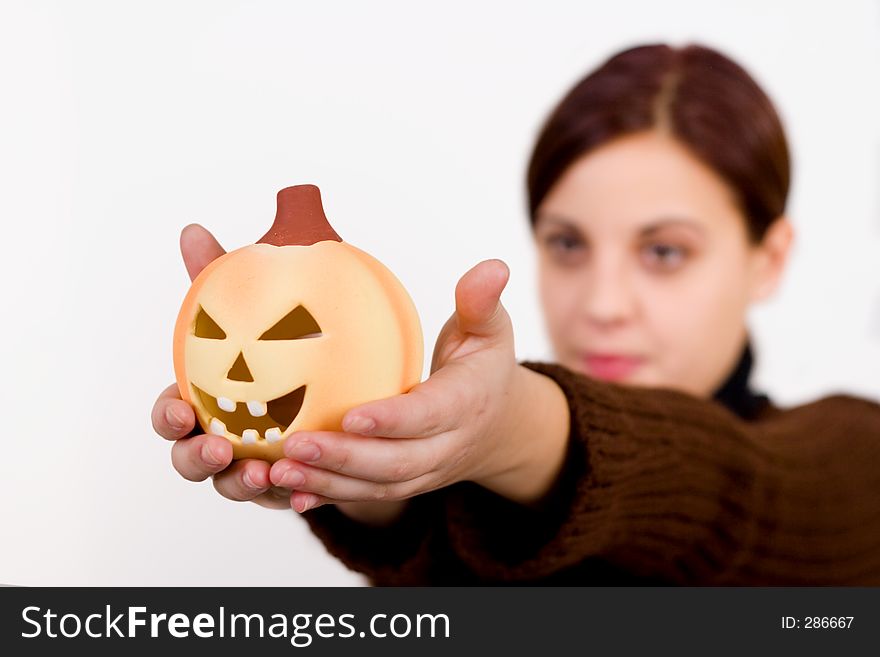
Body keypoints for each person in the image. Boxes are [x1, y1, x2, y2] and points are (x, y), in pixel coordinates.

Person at [151, 43, 880, 585]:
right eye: (567, 243)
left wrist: (515, 429)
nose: (600, 304)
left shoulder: (852, 467)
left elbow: (739, 494)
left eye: (664, 252)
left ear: (769, 257)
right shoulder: (478, 527)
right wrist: (369, 480)